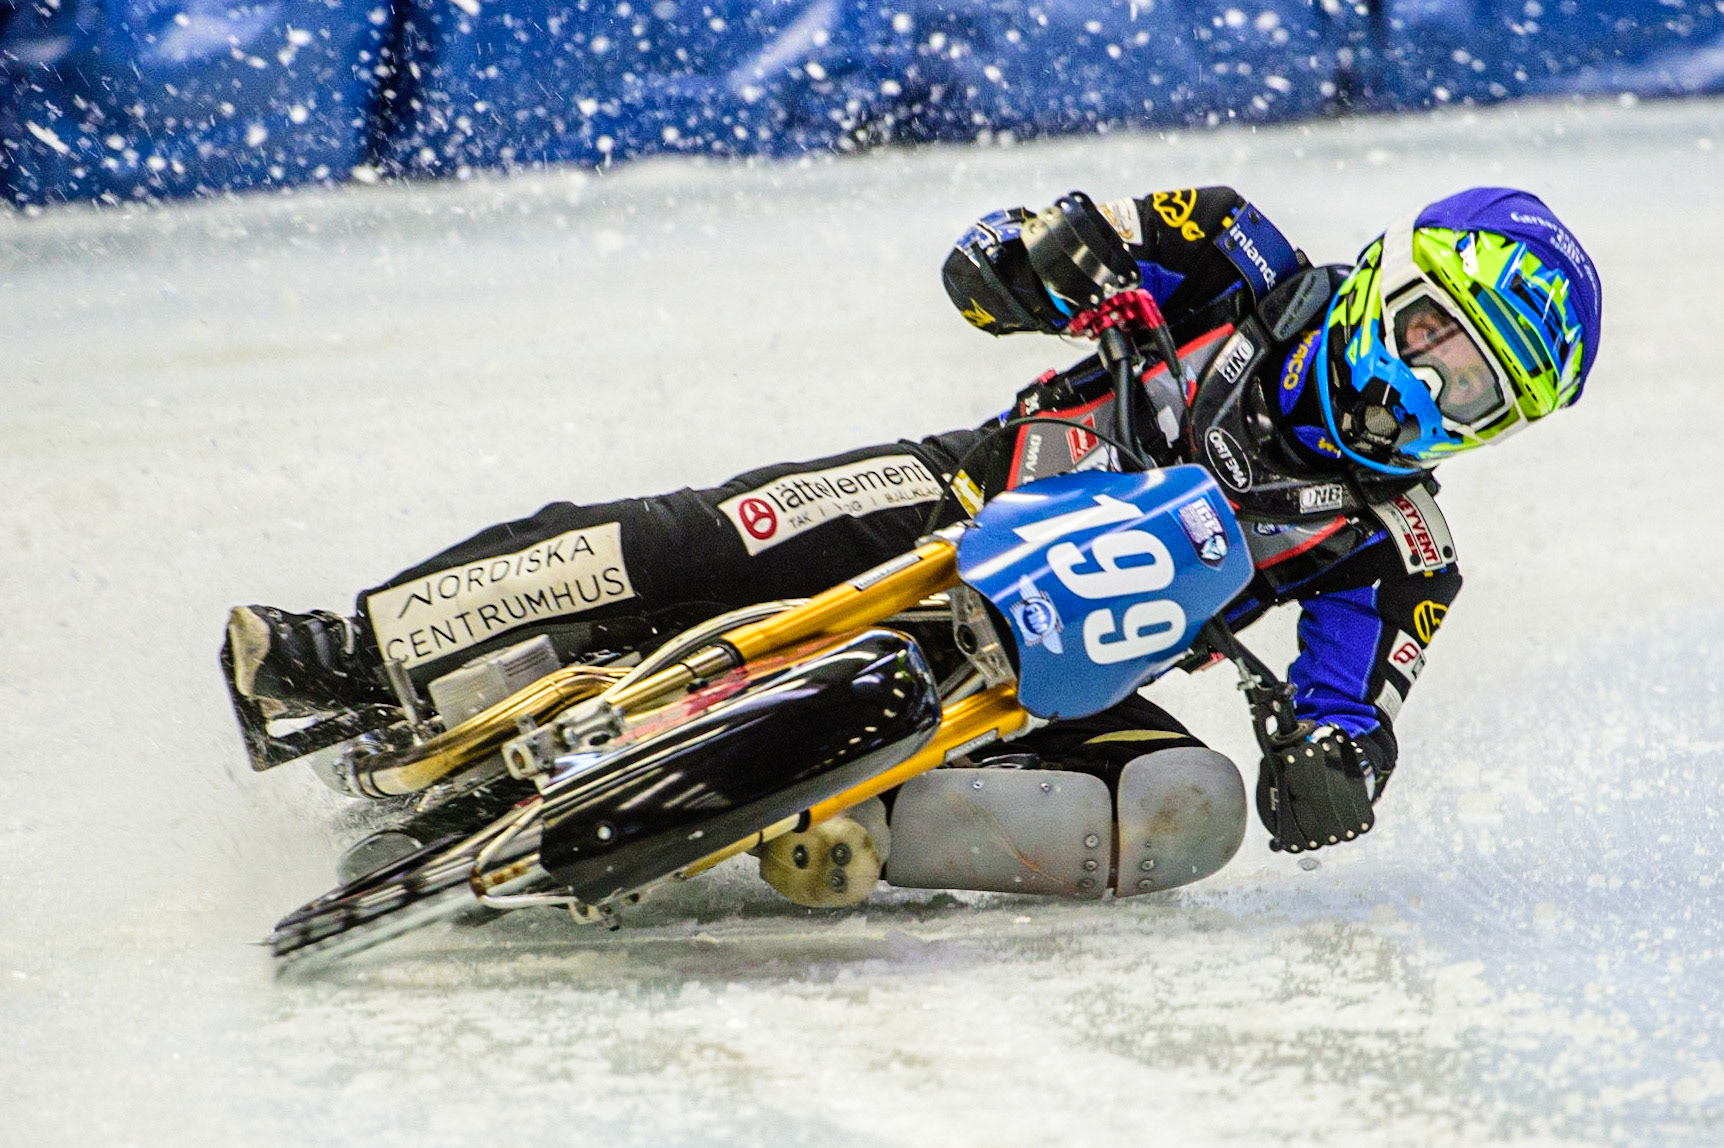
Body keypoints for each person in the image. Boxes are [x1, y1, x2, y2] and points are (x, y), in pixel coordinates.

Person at [221, 184, 1600, 906]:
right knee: (699, 536)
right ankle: (359, 652)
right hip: (961, 493)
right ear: (1385, 280)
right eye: (1430, 333)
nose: (1420, 388)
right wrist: (1033, 260)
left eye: (1469, 391)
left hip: (1059, 666)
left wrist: (1333, 766)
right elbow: (1013, 251)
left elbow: (1355, 708)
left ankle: (835, 824)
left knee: (1184, 812)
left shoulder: (1403, 550)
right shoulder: (1233, 249)